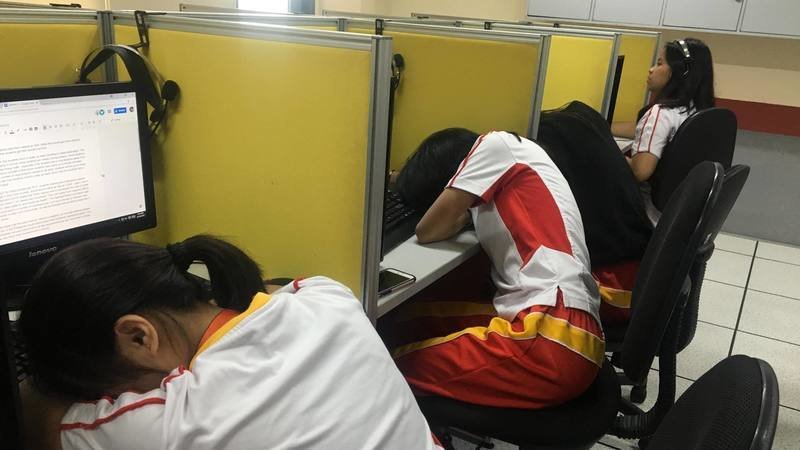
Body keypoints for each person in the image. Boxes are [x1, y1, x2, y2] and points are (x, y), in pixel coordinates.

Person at [19, 235, 443, 450]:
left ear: (138, 336)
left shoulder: (172, 427)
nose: (120, 402)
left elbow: (35, 414)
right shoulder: (328, 297)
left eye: (113, 393)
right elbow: (272, 288)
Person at [390, 128, 605, 409]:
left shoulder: (495, 144)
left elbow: (428, 229)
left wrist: (458, 207)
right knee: (407, 319)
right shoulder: (522, 157)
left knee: (387, 367)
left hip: (549, 338)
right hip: (568, 329)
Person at [612, 38, 715, 224]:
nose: (651, 69)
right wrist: (602, 127)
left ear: (679, 72)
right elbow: (644, 130)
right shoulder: (696, 111)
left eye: (659, 63)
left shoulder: (661, 113)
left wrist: (606, 149)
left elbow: (640, 171)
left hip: (646, 216)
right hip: (678, 216)